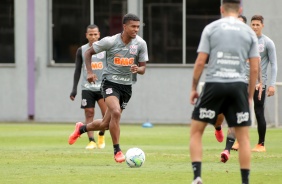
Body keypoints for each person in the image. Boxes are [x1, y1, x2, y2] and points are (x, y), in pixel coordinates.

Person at [189, 0, 260, 183]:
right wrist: (250, 95)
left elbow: (200, 62)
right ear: (240, 10)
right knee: (243, 138)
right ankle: (245, 181)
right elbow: (254, 68)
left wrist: (193, 88)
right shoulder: (249, 32)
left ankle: (197, 177)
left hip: (214, 84)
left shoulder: (211, 28)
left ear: (221, 9)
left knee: (196, 131)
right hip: (238, 85)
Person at [68, 13, 149, 163]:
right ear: (124, 26)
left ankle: (81, 129)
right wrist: (90, 72)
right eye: (133, 26)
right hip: (110, 83)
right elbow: (88, 53)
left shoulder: (140, 44)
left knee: (106, 124)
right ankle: (117, 151)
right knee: (116, 112)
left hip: (127, 87)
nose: (136, 29)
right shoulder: (110, 42)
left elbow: (143, 68)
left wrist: (137, 69)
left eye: (138, 27)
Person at [233, 15, 278, 152]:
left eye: (258, 24)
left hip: (259, 84)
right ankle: (239, 141)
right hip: (243, 82)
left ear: (262, 26)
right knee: (240, 111)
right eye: (253, 24)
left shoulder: (268, 42)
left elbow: (274, 65)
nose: (255, 27)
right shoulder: (245, 41)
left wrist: (271, 84)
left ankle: (261, 144)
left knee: (258, 112)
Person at [70, 24, 107, 150]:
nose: (93, 36)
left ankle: (101, 134)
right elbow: (77, 70)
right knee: (89, 113)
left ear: (99, 35)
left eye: (95, 34)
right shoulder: (82, 50)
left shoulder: (105, 49)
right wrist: (74, 89)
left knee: (106, 115)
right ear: (86, 35)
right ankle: (91, 141)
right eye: (90, 34)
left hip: (103, 87)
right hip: (87, 87)